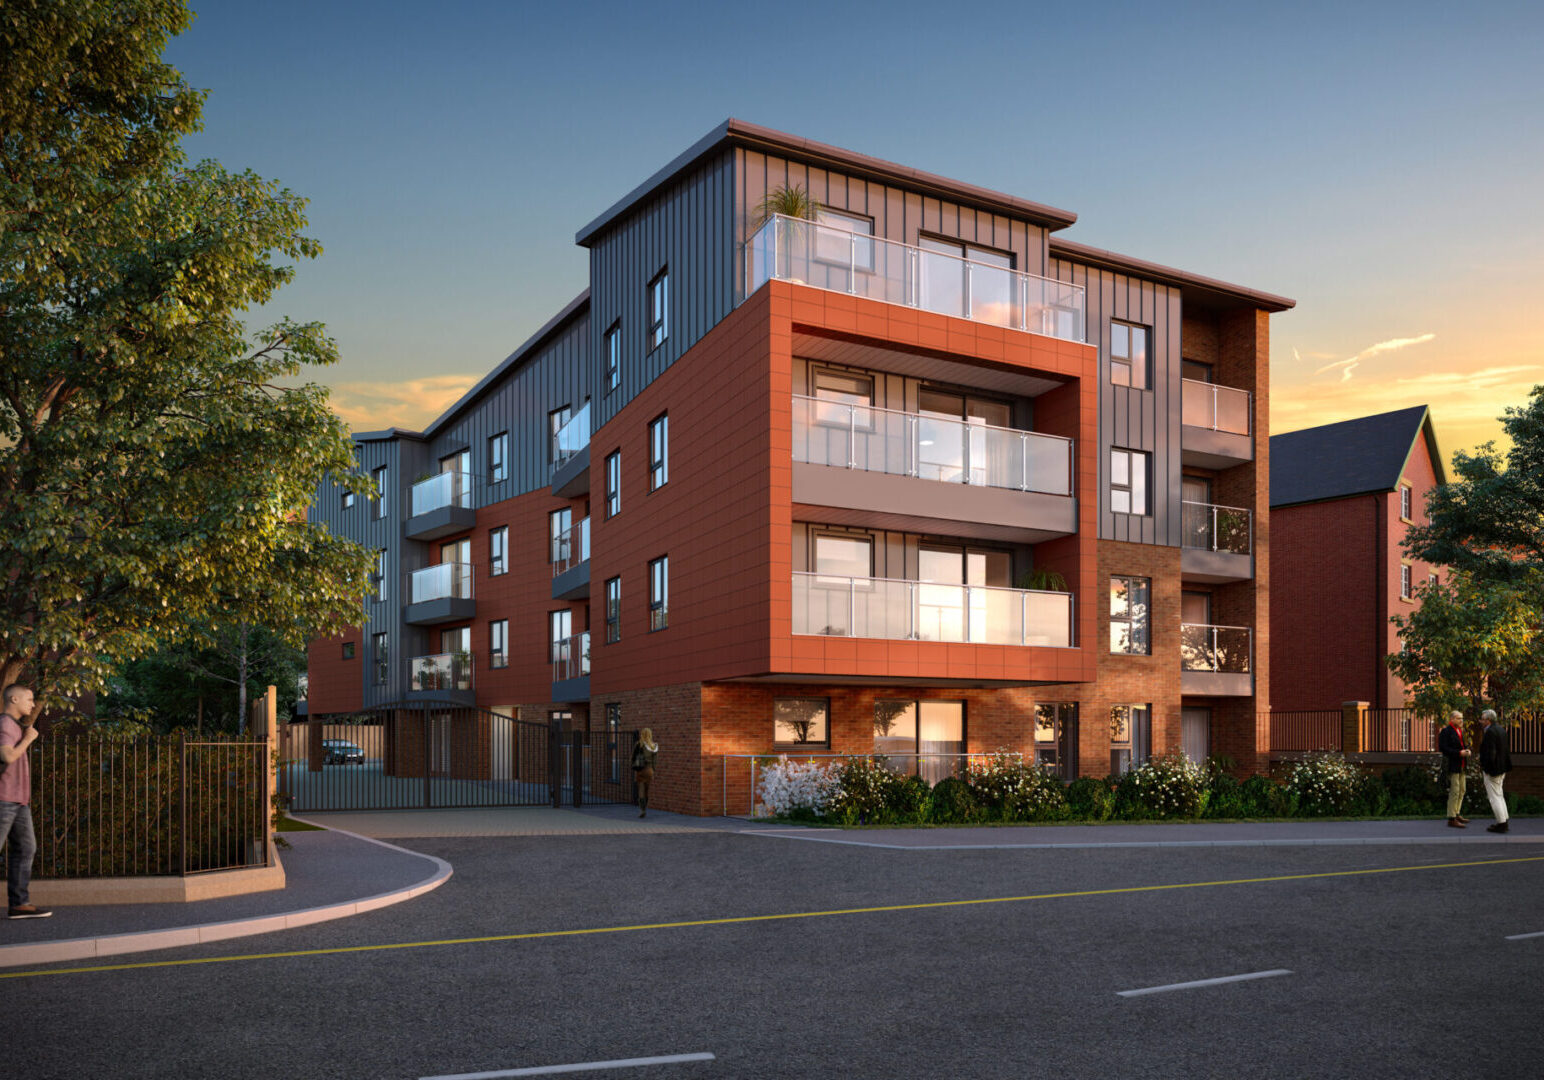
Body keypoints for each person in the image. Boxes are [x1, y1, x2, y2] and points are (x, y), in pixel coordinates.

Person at [0, 683, 50, 918]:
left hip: (18, 801)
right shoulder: (6, 724)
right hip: (3, 799)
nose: (32, 703)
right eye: (29, 699)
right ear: (14, 700)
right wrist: (29, 738)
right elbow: (7, 755)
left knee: (26, 848)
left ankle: (19, 904)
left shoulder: (14, 726)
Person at [1436, 709, 1471, 829]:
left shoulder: (1460, 731)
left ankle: (1457, 813)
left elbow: (1462, 745)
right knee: (1455, 791)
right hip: (1453, 765)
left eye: (1462, 718)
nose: (1461, 720)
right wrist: (1459, 753)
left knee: (1462, 790)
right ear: (1452, 719)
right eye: (1459, 718)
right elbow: (1443, 748)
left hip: (1462, 765)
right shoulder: (1446, 732)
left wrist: (1466, 750)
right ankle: (1451, 819)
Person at [1479, 709, 1512, 833]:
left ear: (1488, 720)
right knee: (1499, 795)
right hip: (1501, 768)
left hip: (1493, 770)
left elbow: (1491, 753)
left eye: (1482, 719)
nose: (1481, 721)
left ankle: (1502, 824)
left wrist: (1487, 769)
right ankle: (1504, 821)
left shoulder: (1490, 732)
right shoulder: (1501, 729)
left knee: (1494, 797)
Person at [633, 727, 659, 819]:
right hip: (649, 770)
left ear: (642, 735)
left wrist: (635, 768)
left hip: (641, 770)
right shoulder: (654, 746)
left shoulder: (639, 745)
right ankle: (645, 807)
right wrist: (653, 771)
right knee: (647, 791)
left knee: (641, 791)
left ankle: (642, 809)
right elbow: (655, 761)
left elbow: (633, 757)